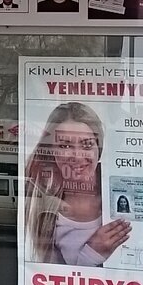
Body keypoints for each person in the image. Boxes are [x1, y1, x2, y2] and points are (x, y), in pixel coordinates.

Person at [26, 101, 131, 266]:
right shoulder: (42, 206)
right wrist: (91, 255)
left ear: (99, 148)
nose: (77, 155)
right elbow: (50, 277)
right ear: (51, 150)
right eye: (65, 145)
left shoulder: (123, 190)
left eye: (87, 145)